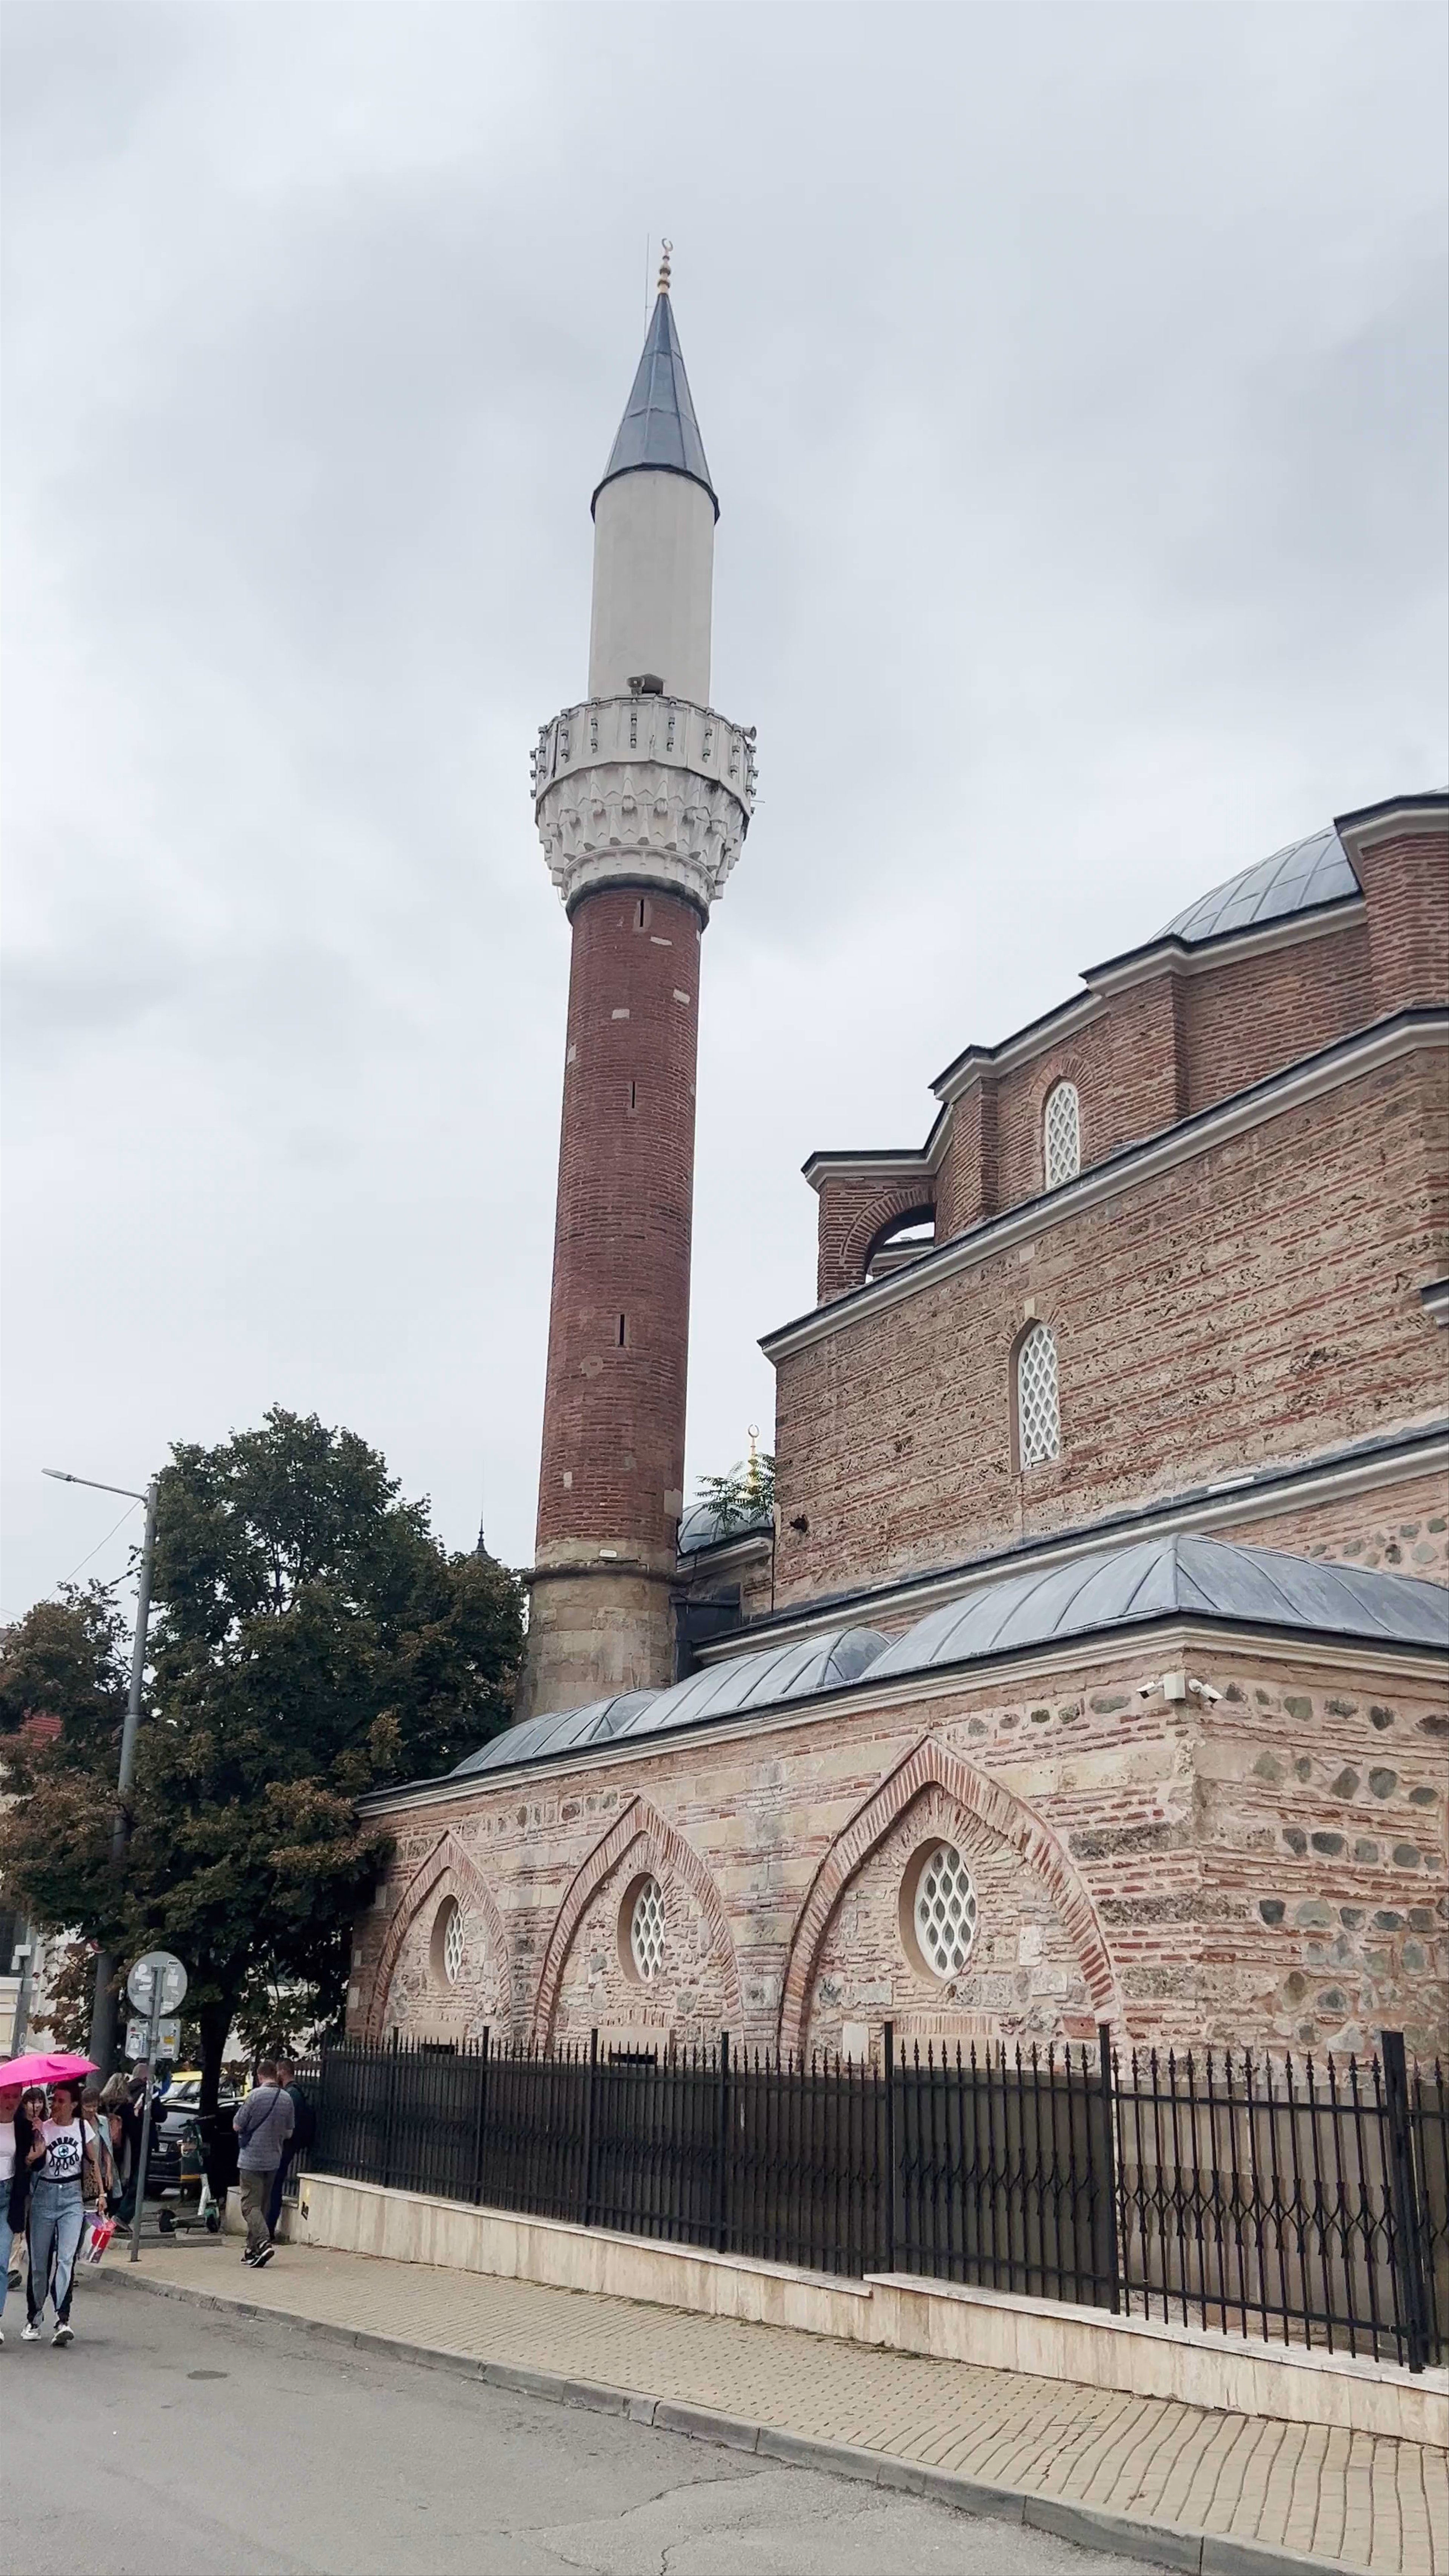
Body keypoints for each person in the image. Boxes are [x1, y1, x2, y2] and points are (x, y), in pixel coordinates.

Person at [24, 2078, 100, 2344]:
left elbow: (94, 2161)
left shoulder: (83, 2128)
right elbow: (29, 2162)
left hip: (72, 2198)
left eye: (61, 2101)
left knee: (66, 2259)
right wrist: (35, 2143)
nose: (55, 2105)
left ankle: (62, 2319)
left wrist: (101, 2194)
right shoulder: (42, 2128)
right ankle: (34, 2318)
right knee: (39, 2265)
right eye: (53, 2099)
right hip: (44, 2195)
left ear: (74, 2105)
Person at [232, 2061, 292, 2268]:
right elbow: (289, 2132)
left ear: (259, 2077)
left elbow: (237, 2125)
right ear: (276, 2076)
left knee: (250, 2205)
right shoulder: (287, 2098)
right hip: (274, 2159)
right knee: (263, 2206)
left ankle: (263, 2242)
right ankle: (252, 2250)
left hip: (251, 2159)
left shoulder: (255, 2096)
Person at [0, 2081, 37, 2346]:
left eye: (15, 2096)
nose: (10, 2101)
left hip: (9, 2198)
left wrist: (39, 2139)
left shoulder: (24, 2127)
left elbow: (36, 2163)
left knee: (2, 2261)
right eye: (5, 2095)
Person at [265, 2061, 314, 2238]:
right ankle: (268, 2228)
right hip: (287, 2144)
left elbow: (286, 2122)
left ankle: (269, 2229)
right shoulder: (294, 2092)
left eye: (278, 2072)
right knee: (274, 2184)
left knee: (274, 2185)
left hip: (286, 2145)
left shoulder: (291, 2094)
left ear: (282, 2072)